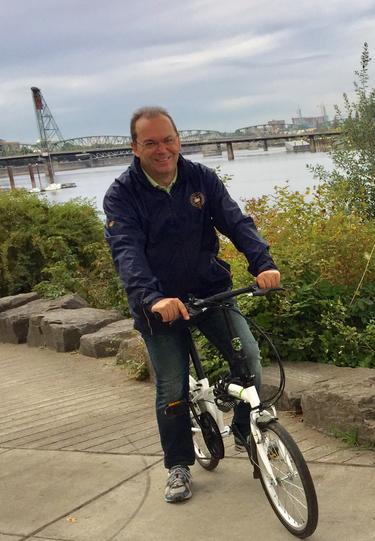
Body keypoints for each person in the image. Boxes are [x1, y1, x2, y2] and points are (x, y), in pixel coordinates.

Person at [103, 106, 280, 503]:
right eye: (150, 143)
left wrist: (263, 264)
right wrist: (152, 297)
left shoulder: (201, 178)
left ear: (178, 140)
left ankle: (242, 432)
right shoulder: (122, 195)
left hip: (208, 291)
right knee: (171, 389)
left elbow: (236, 223)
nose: (162, 149)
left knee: (249, 358)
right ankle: (178, 465)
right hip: (158, 306)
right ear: (135, 148)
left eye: (168, 140)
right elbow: (127, 253)